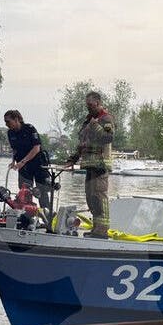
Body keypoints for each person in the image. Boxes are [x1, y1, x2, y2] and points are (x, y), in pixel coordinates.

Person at [66, 91, 115, 239]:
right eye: (87, 106)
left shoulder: (106, 118)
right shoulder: (88, 120)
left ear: (98, 103)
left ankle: (102, 231)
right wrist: (72, 159)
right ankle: (96, 229)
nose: (89, 109)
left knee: (100, 197)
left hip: (100, 164)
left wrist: (95, 126)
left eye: (91, 105)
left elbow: (109, 137)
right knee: (91, 197)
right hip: (89, 165)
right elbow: (82, 143)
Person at [4, 109, 52, 215]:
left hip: (38, 164)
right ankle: (27, 217)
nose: (6, 124)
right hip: (24, 167)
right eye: (5, 122)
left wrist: (22, 162)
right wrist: (13, 161)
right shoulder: (10, 133)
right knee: (24, 192)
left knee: (42, 192)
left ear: (16, 119)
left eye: (8, 121)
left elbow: (36, 148)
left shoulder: (29, 129)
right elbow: (14, 149)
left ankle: (48, 218)